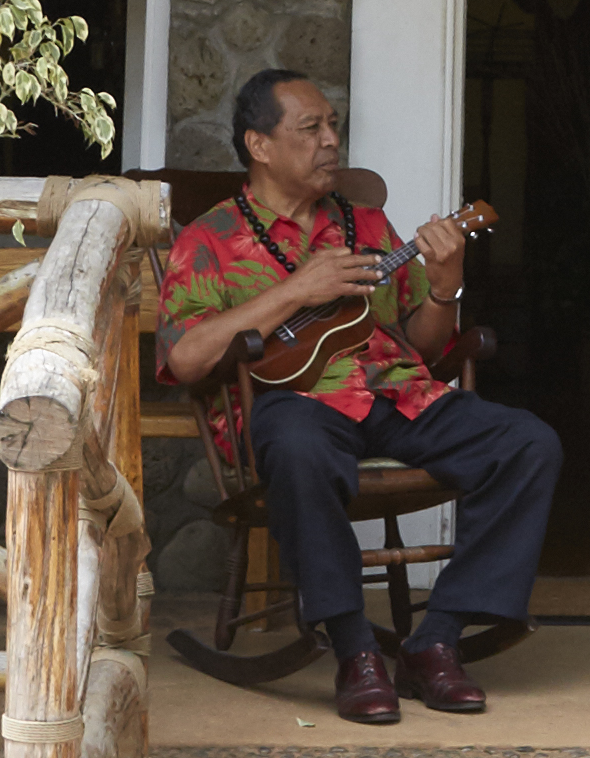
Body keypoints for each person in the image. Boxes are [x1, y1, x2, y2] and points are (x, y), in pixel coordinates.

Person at [158, 70, 562, 723]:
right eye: (310, 128)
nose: (330, 141)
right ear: (259, 146)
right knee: (295, 447)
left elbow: (425, 347)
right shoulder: (208, 239)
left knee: (528, 443)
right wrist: (294, 291)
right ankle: (355, 651)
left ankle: (437, 638)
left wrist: (444, 286)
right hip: (295, 403)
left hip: (396, 396)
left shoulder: (366, 223)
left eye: (333, 125)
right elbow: (185, 356)